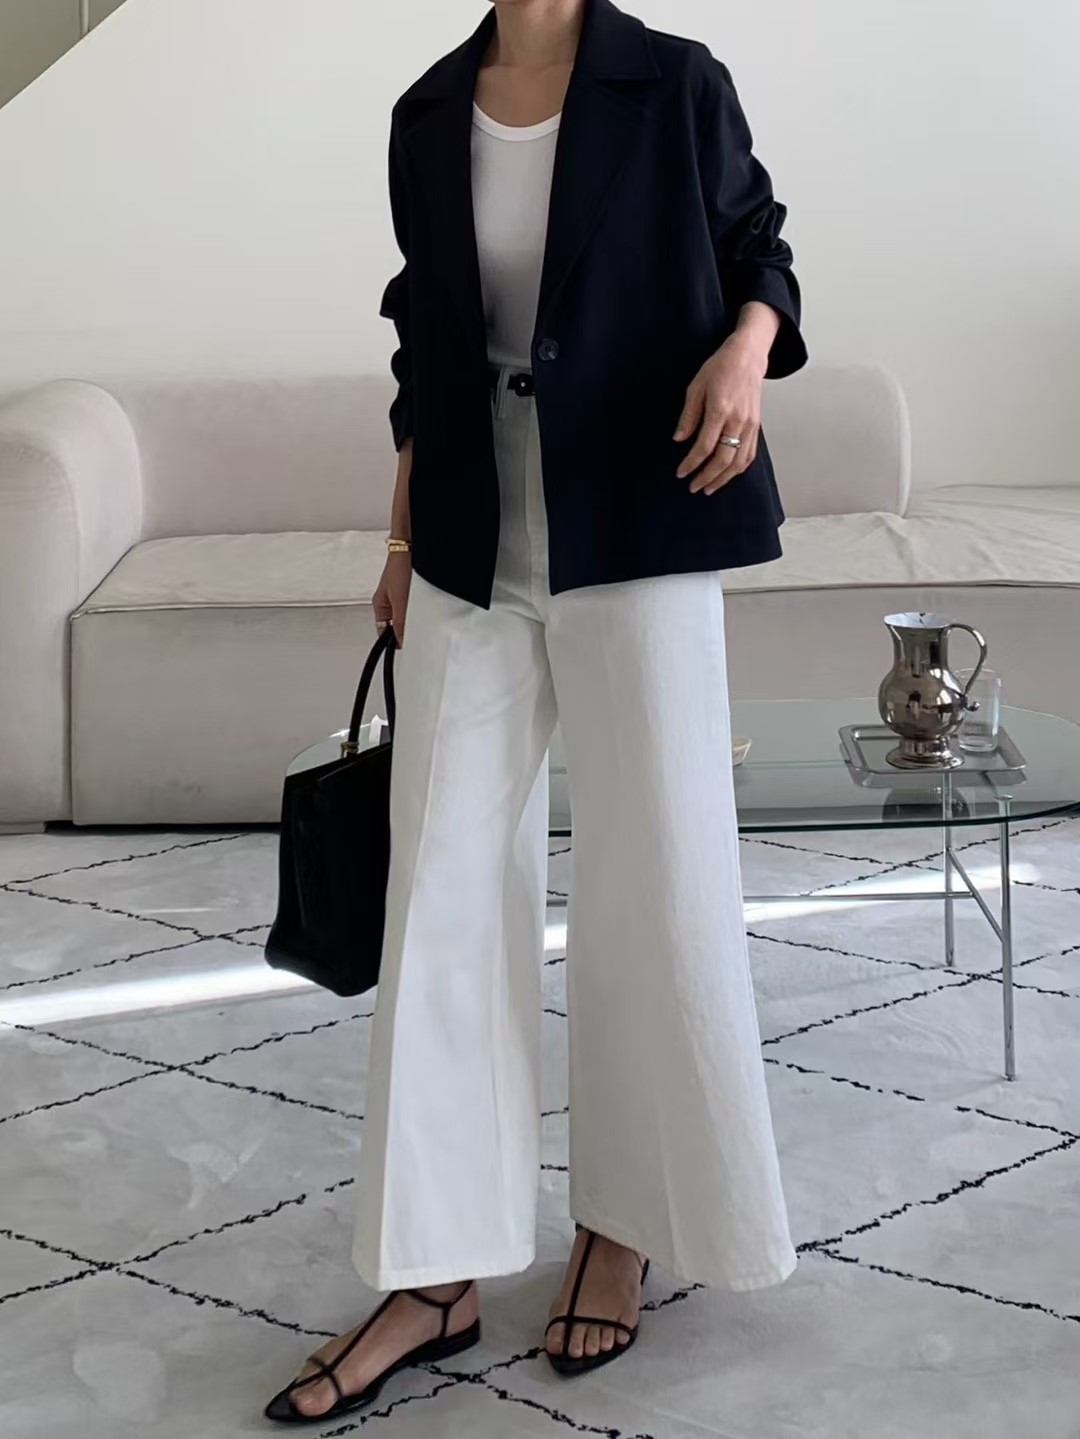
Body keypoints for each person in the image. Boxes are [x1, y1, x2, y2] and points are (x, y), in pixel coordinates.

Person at [265, 0, 807, 1422]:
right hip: (470, 532)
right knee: (440, 892)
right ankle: (435, 1268)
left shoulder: (672, 83)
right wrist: (399, 540)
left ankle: (624, 1223)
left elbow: (760, 248)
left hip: (639, 508)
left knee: (656, 877)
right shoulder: (428, 110)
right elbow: (422, 337)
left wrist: (745, 352)